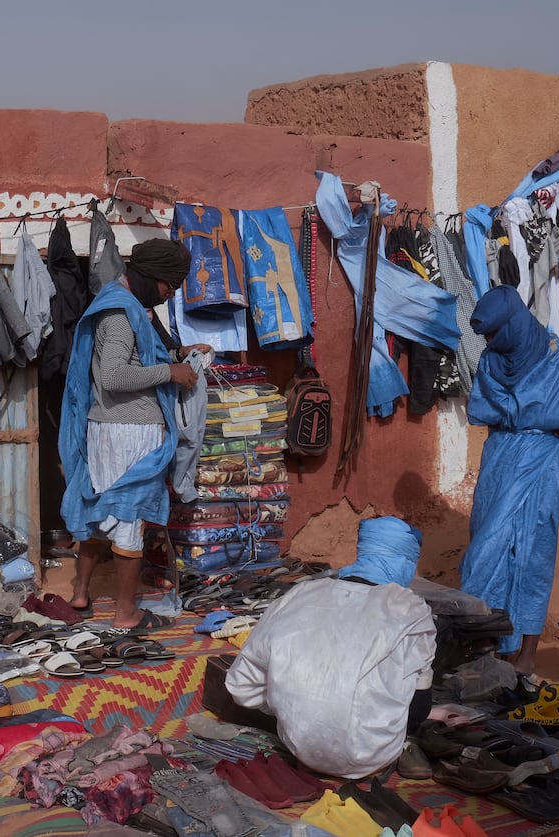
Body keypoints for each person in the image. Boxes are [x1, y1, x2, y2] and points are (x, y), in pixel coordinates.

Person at [60, 238, 203, 631]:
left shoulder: (125, 306)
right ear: (149, 276)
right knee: (129, 516)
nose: (170, 294)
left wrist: (178, 355)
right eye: (169, 285)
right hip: (130, 433)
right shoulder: (122, 314)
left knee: (100, 509)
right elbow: (114, 376)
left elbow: (138, 359)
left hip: (109, 429)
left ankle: (80, 593)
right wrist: (170, 373)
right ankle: (126, 613)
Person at [225, 516, 436, 779]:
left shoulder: (300, 594)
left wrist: (291, 707)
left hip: (299, 747)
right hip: (372, 755)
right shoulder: (411, 609)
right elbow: (418, 711)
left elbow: (242, 685)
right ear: (405, 562)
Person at [459, 284, 559, 674]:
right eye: (485, 335)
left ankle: (528, 652)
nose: (489, 342)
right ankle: (490, 644)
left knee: (534, 551)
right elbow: (483, 407)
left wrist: (515, 414)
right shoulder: (490, 361)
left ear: (513, 324)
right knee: (486, 549)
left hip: (543, 462)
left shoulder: (558, 355)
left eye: (494, 333)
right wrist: (527, 413)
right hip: (500, 461)